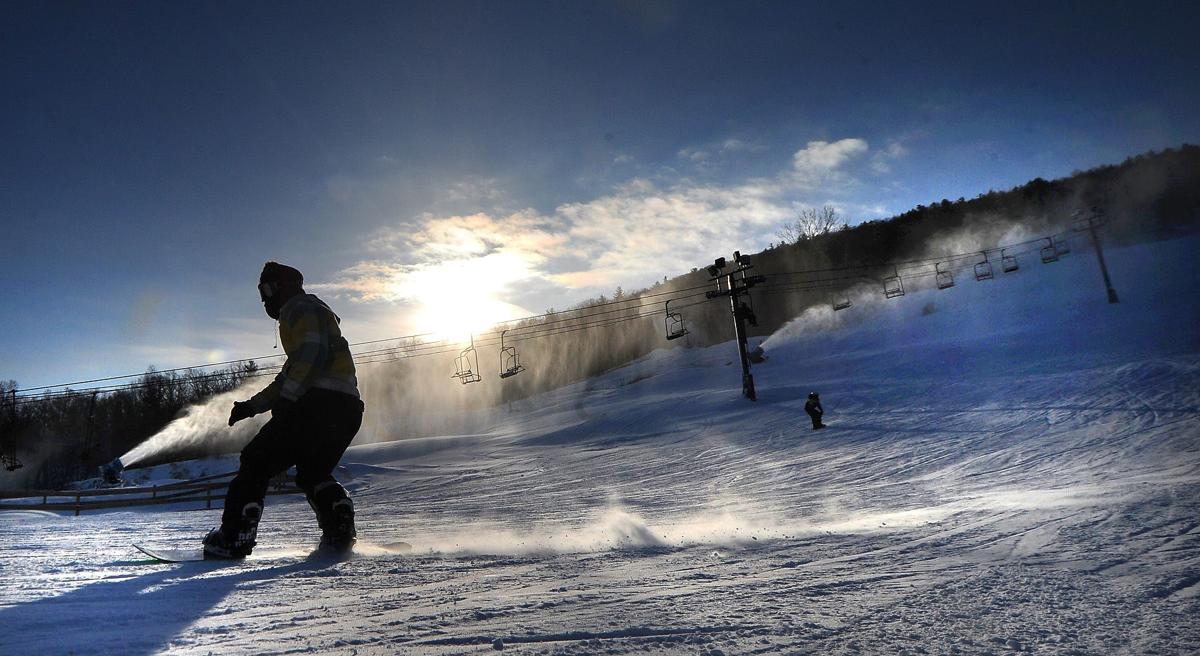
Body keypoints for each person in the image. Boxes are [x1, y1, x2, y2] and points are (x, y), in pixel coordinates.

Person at [203, 261, 364, 558]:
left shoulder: (299, 308)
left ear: (282, 287)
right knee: (313, 472)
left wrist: (290, 399)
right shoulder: (313, 318)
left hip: (317, 405)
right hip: (347, 409)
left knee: (255, 461)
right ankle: (338, 526)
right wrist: (252, 407)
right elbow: (291, 373)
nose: (265, 298)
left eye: (267, 289)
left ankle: (235, 535)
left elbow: (311, 356)